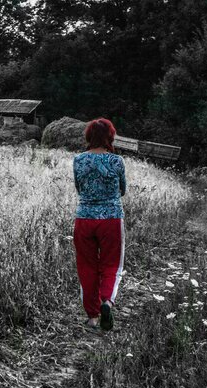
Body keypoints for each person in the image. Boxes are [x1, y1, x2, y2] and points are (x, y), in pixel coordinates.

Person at [73, 118, 126, 331]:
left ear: (88, 136)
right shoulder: (116, 161)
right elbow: (122, 189)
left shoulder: (78, 160)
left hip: (84, 218)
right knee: (112, 264)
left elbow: (79, 188)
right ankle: (107, 302)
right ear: (110, 137)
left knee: (87, 267)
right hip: (111, 218)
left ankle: (92, 317)